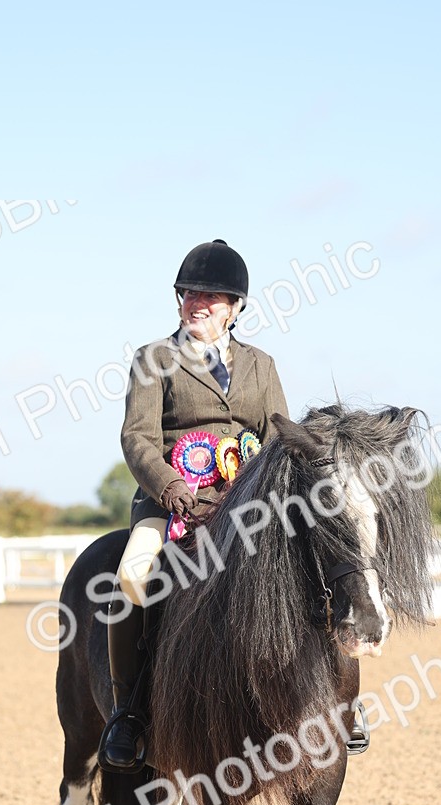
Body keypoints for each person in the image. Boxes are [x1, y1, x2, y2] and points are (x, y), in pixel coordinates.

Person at [98, 239, 289, 772]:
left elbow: (276, 438)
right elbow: (137, 438)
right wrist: (171, 489)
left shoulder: (261, 365)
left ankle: (336, 701)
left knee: (312, 561)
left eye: (213, 295)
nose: (199, 302)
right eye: (190, 293)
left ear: (235, 308)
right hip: (170, 503)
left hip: (248, 503)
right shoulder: (153, 360)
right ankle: (129, 710)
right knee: (133, 576)